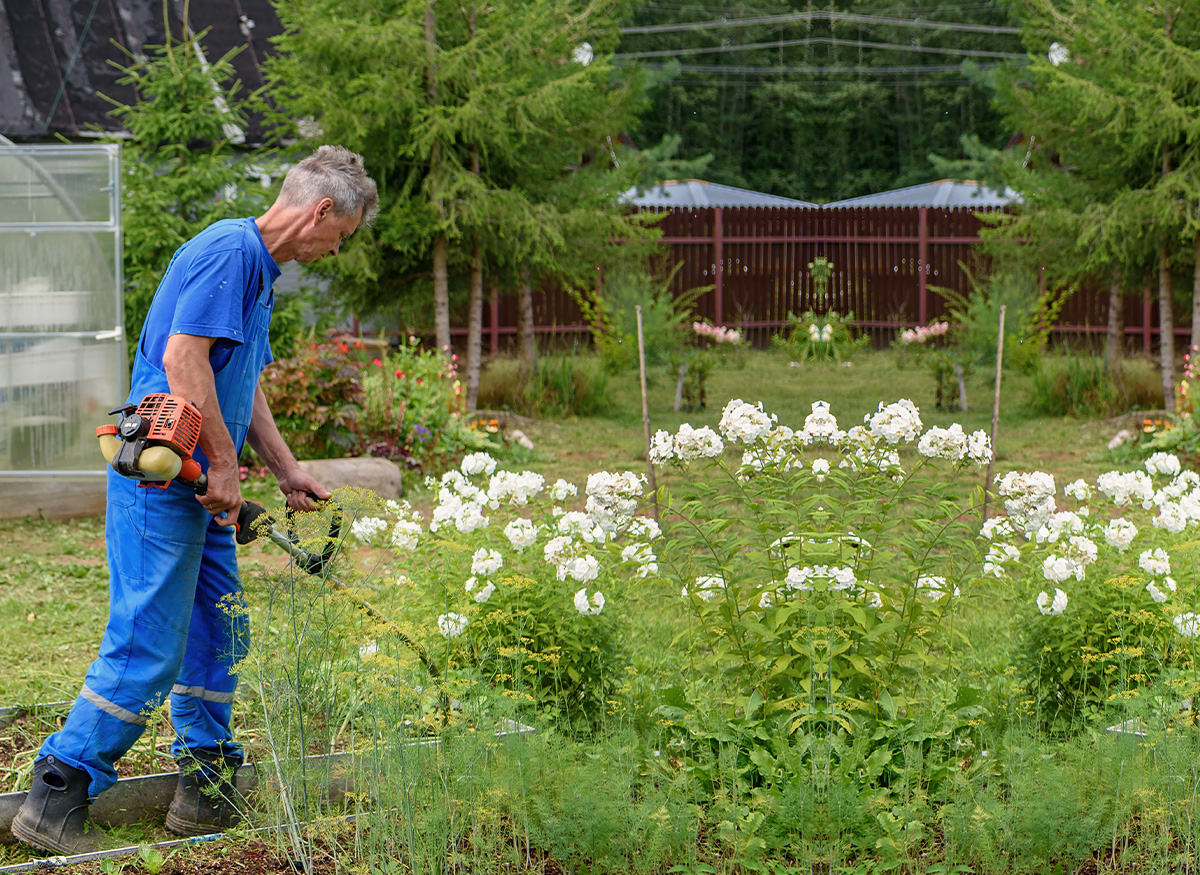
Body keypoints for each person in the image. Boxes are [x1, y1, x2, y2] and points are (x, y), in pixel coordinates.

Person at [12, 145, 379, 855]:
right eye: (344, 233)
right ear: (321, 211)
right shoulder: (227, 254)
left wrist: (285, 467)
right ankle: (56, 790)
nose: (338, 249)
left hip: (202, 487)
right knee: (148, 641)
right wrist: (223, 468)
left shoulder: (258, 270)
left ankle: (203, 787)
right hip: (166, 483)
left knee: (220, 630)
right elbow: (183, 362)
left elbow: (241, 380)